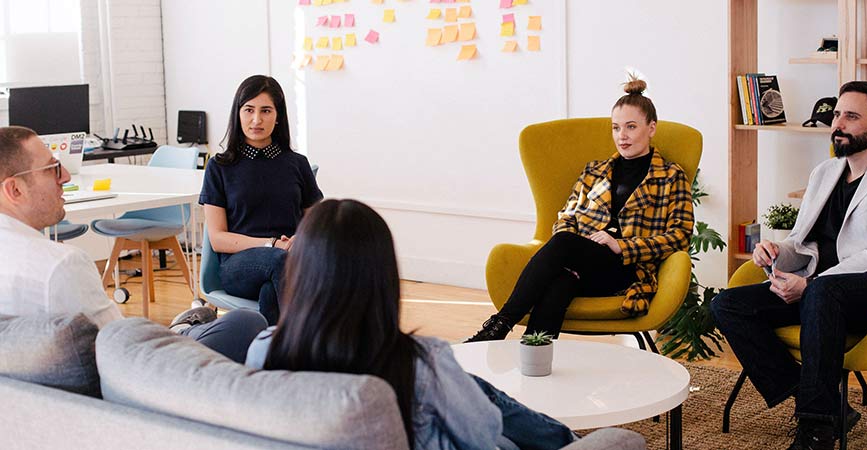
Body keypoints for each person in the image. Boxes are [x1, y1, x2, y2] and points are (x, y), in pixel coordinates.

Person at [710, 81, 867, 450]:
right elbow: (805, 242)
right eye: (836, 115)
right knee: (728, 304)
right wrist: (774, 251)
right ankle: (824, 404)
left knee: (822, 292)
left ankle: (816, 432)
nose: (839, 124)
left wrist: (811, 283)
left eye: (851, 116)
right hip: (824, 291)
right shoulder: (825, 173)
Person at [245, 199, 578, 450]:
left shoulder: (264, 348)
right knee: (485, 407)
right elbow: (482, 434)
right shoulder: (419, 361)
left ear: (301, 273)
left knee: (471, 386)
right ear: (383, 276)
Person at [0, 126, 267, 364]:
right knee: (245, 321)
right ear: (15, 190)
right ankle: (180, 332)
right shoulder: (59, 266)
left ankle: (180, 330)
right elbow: (121, 349)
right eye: (52, 169)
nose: (66, 177)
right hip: (141, 376)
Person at [466, 77, 694, 342]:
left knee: (563, 244)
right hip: (581, 261)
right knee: (560, 283)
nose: (622, 136)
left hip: (627, 269)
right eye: (616, 128)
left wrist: (622, 246)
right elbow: (567, 217)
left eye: (631, 127)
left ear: (651, 128)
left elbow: (680, 235)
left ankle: (499, 324)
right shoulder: (594, 171)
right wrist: (581, 247)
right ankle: (534, 356)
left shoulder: (670, 176)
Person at [199, 75, 323, 325]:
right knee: (281, 261)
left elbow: (319, 223)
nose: (257, 120)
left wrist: (302, 238)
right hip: (238, 267)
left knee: (271, 292)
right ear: (238, 114)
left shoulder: (297, 164)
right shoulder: (219, 167)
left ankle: (272, 356)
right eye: (249, 110)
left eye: (266, 110)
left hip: (287, 263)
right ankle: (317, 341)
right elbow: (218, 239)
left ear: (278, 116)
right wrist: (273, 244)